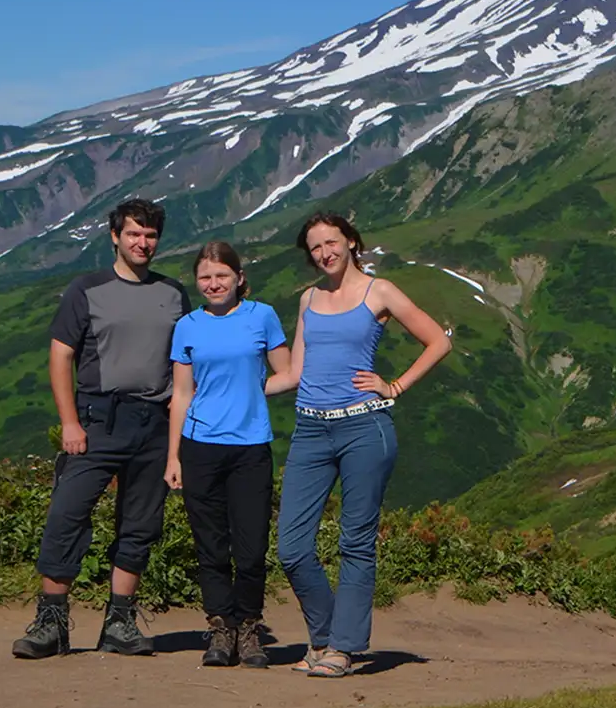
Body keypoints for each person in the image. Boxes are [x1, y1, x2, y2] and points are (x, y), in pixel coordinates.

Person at [12, 198, 190, 659]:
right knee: (67, 514)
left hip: (154, 420)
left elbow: (184, 363)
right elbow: (60, 355)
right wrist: (69, 421)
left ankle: (120, 622)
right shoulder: (86, 289)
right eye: (133, 234)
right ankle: (51, 622)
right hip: (97, 419)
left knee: (141, 524)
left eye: (150, 235)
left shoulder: (173, 293)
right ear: (114, 236)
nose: (142, 243)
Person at [277, 211, 451, 678]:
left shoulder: (381, 291)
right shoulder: (309, 298)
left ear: (352, 242)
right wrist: (236, 389)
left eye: (332, 243)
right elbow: (294, 373)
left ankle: (343, 647)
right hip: (311, 429)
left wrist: (394, 385)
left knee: (356, 542)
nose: (324, 253)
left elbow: (438, 341)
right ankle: (326, 635)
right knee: (291, 547)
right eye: (315, 248)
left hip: (363, 428)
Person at [164, 241, 296, 668]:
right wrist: (173, 457)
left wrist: (253, 391)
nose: (213, 284)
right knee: (211, 546)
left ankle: (250, 627)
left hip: (250, 447)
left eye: (222, 276)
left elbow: (288, 373)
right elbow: (181, 394)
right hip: (200, 446)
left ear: (239, 278)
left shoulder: (262, 317)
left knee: (252, 545)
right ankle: (221, 627)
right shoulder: (187, 326)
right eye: (205, 277)